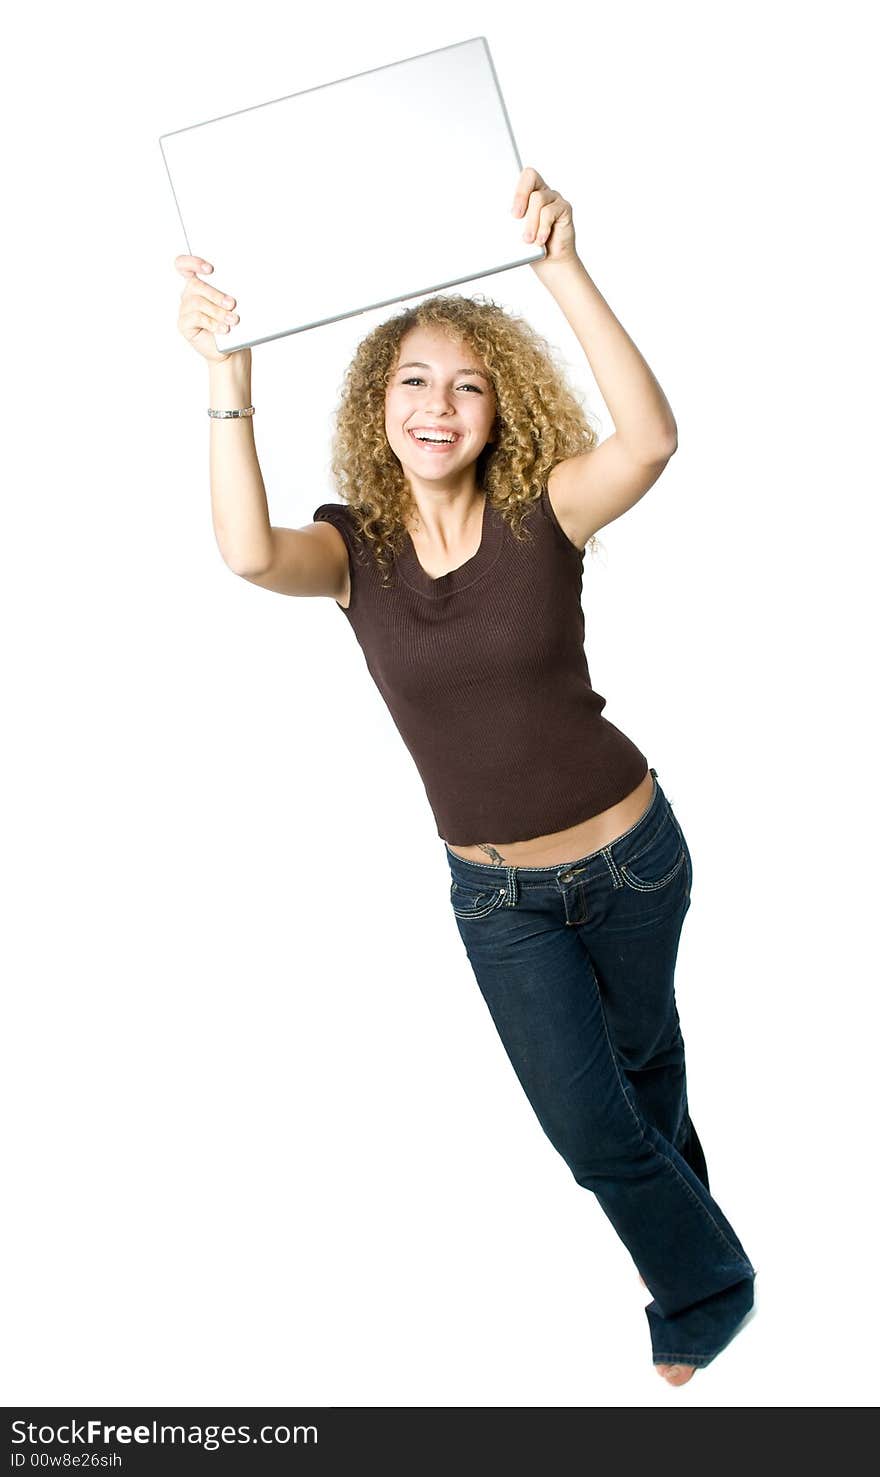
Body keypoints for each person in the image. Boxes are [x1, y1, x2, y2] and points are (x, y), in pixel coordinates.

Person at [174, 165, 756, 1387]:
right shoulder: (350, 550)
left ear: (503, 405)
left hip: (635, 856)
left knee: (646, 1071)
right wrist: (228, 382)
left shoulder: (547, 512)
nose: (439, 407)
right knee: (594, 1125)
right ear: (380, 403)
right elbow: (240, 551)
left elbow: (650, 439)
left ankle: (692, 1268)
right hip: (496, 899)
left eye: (469, 384)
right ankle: (714, 1282)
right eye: (415, 383)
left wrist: (560, 266)